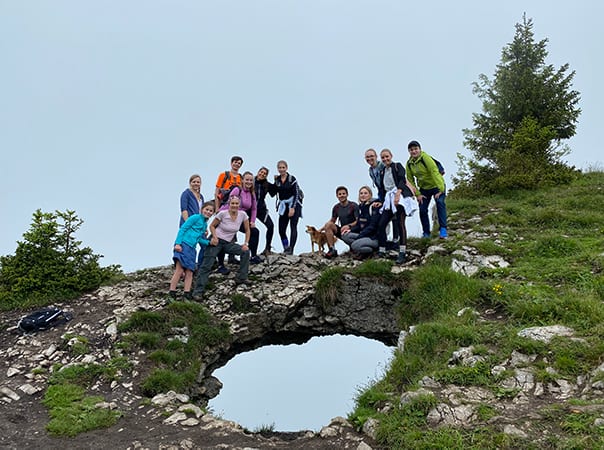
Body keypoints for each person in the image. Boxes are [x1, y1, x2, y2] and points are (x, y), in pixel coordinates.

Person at [192, 196, 251, 300]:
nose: (234, 206)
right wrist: (214, 237)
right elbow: (212, 226)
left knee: (245, 252)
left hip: (228, 243)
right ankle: (198, 292)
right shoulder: (223, 213)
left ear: (239, 205)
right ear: (229, 204)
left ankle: (241, 278)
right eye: (232, 203)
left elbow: (247, 230)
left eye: (236, 204)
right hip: (216, 241)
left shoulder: (243, 215)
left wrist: (246, 243)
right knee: (207, 265)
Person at [376, 148, 418, 264]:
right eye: (383, 157)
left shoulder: (397, 166)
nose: (385, 159)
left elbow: (402, 179)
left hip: (399, 196)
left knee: (400, 222)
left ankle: (402, 251)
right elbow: (383, 187)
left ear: (391, 156)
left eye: (387, 156)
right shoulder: (383, 171)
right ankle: (382, 249)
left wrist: (398, 193)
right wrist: (382, 201)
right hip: (388, 197)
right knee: (382, 223)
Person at [169, 201, 215, 300]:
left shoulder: (204, 225)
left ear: (213, 213)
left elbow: (199, 239)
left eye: (211, 211)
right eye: (207, 209)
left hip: (192, 249)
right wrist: (178, 243)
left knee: (190, 271)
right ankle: (172, 293)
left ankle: (187, 294)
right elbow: (183, 229)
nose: (208, 212)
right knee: (179, 269)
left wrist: (209, 242)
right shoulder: (195, 217)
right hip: (183, 244)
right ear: (202, 209)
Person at [406, 140, 448, 239]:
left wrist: (441, 189)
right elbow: (410, 180)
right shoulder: (409, 164)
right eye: (411, 150)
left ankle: (443, 229)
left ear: (420, 149)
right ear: (409, 152)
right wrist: (418, 194)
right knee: (422, 209)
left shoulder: (425, 158)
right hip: (424, 189)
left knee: (440, 203)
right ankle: (426, 233)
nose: (414, 151)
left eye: (416, 149)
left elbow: (434, 172)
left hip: (436, 185)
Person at [222, 171, 262, 264]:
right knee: (229, 235)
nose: (249, 182)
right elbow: (230, 204)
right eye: (247, 180)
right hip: (229, 216)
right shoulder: (237, 190)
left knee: (255, 231)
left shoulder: (252, 193)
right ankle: (226, 260)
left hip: (242, 218)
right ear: (242, 180)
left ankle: (253, 255)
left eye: (251, 180)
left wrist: (252, 221)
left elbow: (254, 209)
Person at [271, 160, 302, 255]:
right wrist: (273, 182)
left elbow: (296, 193)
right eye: (279, 168)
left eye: (283, 167)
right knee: (281, 229)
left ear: (286, 168)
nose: (281, 169)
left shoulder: (292, 179)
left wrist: (293, 208)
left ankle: (291, 249)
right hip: (283, 205)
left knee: (293, 227)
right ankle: (286, 247)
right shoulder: (277, 180)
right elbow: (273, 193)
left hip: (294, 204)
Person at [341, 186, 380, 258]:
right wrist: (350, 229)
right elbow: (359, 225)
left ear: (370, 195)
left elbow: (373, 227)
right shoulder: (361, 207)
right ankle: (362, 249)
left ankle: (371, 251)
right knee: (345, 235)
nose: (363, 195)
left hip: (373, 237)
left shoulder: (374, 207)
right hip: (363, 235)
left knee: (354, 245)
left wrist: (361, 235)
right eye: (361, 193)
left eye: (365, 193)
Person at [322, 186, 358, 258]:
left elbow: (358, 220)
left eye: (343, 193)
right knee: (328, 225)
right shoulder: (336, 207)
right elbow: (332, 221)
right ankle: (332, 249)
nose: (342, 195)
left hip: (354, 229)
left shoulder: (353, 205)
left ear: (347, 194)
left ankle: (355, 248)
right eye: (340, 194)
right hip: (342, 231)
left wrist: (349, 226)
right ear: (337, 196)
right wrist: (321, 229)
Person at [254, 166, 275, 255]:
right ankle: (251, 253)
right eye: (261, 172)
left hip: (261, 210)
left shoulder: (266, 184)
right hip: (249, 210)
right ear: (258, 172)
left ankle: (267, 248)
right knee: (247, 229)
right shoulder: (251, 181)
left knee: (270, 226)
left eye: (264, 173)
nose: (262, 174)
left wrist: (276, 181)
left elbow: (273, 193)